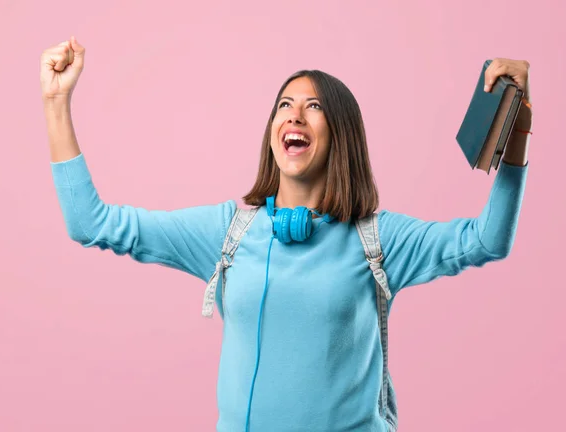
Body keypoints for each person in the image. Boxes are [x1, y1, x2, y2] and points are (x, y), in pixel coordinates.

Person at [40, 36, 531, 432]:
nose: (294, 115)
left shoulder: (378, 240)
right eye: (284, 105)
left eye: (313, 106)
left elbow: (487, 240)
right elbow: (91, 224)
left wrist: (518, 128)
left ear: (341, 134)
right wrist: (56, 103)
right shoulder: (225, 234)